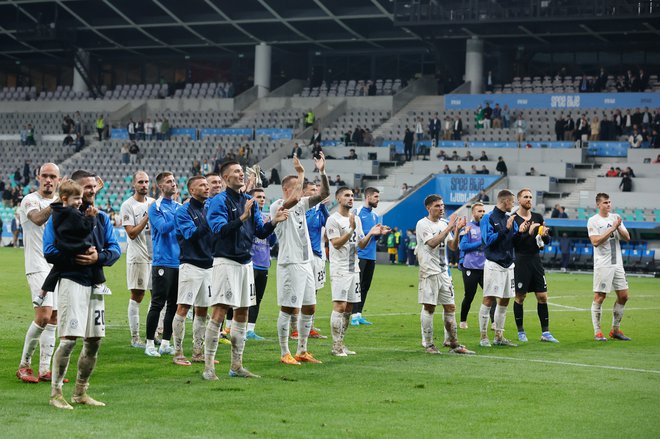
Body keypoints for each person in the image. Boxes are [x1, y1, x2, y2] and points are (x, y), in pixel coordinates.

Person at [203, 161, 287, 380]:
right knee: (220, 311)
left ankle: (236, 365)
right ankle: (209, 367)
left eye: (242, 171)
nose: (241, 174)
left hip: (245, 263)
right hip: (226, 261)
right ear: (225, 178)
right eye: (236, 172)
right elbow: (218, 230)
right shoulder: (218, 201)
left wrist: (274, 222)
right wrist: (242, 217)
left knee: (243, 312)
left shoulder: (250, 202)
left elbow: (260, 232)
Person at [45, 170, 120, 409]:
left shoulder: (102, 218)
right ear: (74, 190)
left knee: (94, 341)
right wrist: (76, 258)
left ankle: (80, 392)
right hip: (71, 280)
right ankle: (56, 394)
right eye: (85, 187)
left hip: (96, 283)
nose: (90, 190)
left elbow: (115, 249)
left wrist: (99, 257)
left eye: (92, 186)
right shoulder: (59, 217)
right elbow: (49, 251)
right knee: (68, 340)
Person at [270, 154, 329, 365]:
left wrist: (321, 171)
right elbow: (294, 199)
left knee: (310, 307)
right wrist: (301, 172)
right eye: (299, 185)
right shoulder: (278, 206)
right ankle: (285, 352)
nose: (302, 189)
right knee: (288, 308)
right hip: (290, 263)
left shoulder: (302, 204)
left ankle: (302, 350)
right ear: (287, 189)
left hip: (305, 263)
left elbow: (325, 193)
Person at [16, 163, 61, 384]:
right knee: (43, 315)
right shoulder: (30, 200)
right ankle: (24, 366)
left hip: (55, 266)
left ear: (59, 180)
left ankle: (45, 369)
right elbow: (37, 219)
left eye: (53, 176)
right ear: (38, 177)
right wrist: (60, 202)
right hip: (36, 265)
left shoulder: (59, 202)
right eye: (45, 176)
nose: (48, 180)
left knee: (54, 317)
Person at [326, 186, 384, 356]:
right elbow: (336, 243)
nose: (351, 198)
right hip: (340, 268)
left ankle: (341, 343)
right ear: (338, 199)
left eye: (352, 195)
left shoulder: (355, 219)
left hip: (354, 267)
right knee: (340, 305)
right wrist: (350, 230)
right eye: (346, 195)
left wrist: (371, 234)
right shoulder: (333, 219)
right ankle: (335, 346)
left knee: (349, 307)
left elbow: (361, 244)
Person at [415, 194, 474, 354]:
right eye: (437, 206)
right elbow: (432, 243)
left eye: (442, 205)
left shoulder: (443, 223)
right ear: (429, 208)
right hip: (429, 272)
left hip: (443, 271)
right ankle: (428, 344)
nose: (441, 208)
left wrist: (456, 232)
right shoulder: (422, 224)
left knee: (450, 307)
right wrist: (449, 227)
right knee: (429, 307)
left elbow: (453, 247)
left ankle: (453, 343)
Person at [37, 181, 112, 306]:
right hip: (73, 246)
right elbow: (84, 229)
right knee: (93, 252)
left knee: (56, 269)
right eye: (77, 198)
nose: (80, 202)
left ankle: (41, 294)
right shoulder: (73, 213)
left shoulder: (58, 211)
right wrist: (91, 218)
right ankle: (98, 284)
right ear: (65, 198)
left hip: (62, 246)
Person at [170, 176, 214, 366]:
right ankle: (178, 352)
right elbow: (191, 235)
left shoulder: (207, 209)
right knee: (183, 308)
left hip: (209, 265)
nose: (207, 188)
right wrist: (210, 218)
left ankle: (198, 351)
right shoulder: (183, 211)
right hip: (191, 265)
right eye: (202, 185)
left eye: (207, 185)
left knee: (203, 310)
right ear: (192, 190)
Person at [512, 189, 558, 343]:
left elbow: (546, 241)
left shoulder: (538, 217)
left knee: (542, 296)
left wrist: (545, 235)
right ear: (519, 200)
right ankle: (521, 332)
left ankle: (545, 333)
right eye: (526, 197)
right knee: (520, 296)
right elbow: (514, 243)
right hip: (521, 260)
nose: (529, 199)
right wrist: (528, 233)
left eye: (531, 197)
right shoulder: (513, 219)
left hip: (535, 260)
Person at [144, 172, 180, 357]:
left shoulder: (179, 206)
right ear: (160, 186)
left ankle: (166, 342)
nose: (173, 184)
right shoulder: (155, 207)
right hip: (162, 262)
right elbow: (164, 228)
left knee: (174, 305)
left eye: (174, 181)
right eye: (168, 182)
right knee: (157, 304)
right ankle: (150, 343)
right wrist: (179, 215)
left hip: (178, 262)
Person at [587, 193, 631, 342]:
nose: (608, 205)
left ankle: (615, 330)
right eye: (605, 202)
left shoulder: (615, 218)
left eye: (609, 202)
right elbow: (595, 241)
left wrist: (618, 227)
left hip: (617, 263)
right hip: (603, 264)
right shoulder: (593, 221)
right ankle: (597, 331)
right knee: (600, 297)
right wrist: (611, 229)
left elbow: (627, 237)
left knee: (624, 296)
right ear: (598, 205)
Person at [478, 189, 518, 347]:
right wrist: (505, 230)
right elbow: (487, 240)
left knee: (505, 300)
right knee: (489, 298)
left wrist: (523, 233)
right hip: (494, 265)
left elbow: (514, 239)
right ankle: (483, 337)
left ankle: (499, 336)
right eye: (512, 201)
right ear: (505, 201)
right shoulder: (488, 218)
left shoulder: (509, 218)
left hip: (509, 265)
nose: (513, 204)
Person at [120, 171, 154, 348]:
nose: (144, 185)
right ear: (134, 184)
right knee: (138, 295)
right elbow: (131, 233)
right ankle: (135, 338)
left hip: (154, 257)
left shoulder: (153, 203)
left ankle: (152, 333)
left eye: (146, 182)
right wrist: (147, 217)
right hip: (138, 257)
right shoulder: (128, 205)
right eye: (140, 182)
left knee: (156, 296)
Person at [353, 187, 391, 326]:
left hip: (371, 255)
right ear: (368, 197)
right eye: (375, 197)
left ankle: (359, 314)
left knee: (365, 286)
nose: (378, 200)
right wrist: (373, 231)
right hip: (360, 254)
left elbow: (373, 237)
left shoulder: (375, 216)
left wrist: (381, 232)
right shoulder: (356, 212)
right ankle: (352, 315)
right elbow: (355, 233)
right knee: (356, 285)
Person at [246, 187, 277, 340]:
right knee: (244, 298)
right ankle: (232, 327)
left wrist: (271, 226)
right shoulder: (247, 217)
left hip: (263, 263)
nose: (262, 199)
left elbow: (272, 242)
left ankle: (250, 330)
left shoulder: (266, 217)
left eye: (264, 197)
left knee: (257, 299)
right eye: (258, 196)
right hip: (250, 263)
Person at [458, 203, 492, 329]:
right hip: (470, 267)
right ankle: (463, 320)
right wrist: (480, 243)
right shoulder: (467, 227)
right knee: (469, 295)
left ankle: (494, 322)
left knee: (490, 295)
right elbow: (463, 246)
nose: (482, 213)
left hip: (486, 268)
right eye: (479, 211)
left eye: (483, 211)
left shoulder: (488, 227)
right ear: (473, 213)